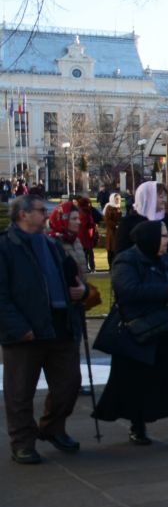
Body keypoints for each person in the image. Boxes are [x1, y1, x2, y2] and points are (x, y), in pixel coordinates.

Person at [93, 220, 168, 448]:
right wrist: (166, 292)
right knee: (136, 382)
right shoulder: (127, 259)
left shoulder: (167, 259)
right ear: (150, 238)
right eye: (164, 236)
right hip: (139, 331)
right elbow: (127, 291)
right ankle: (138, 427)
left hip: (167, 329)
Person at [1, 194, 85, 464]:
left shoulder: (51, 244)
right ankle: (23, 443)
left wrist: (80, 291)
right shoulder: (6, 246)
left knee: (69, 383)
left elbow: (70, 278)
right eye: (40, 210)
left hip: (60, 326)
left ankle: (51, 428)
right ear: (23, 214)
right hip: (26, 332)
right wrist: (18, 328)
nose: (46, 215)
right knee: (20, 392)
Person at [118, 181, 168, 279]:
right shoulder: (129, 222)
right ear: (148, 198)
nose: (164, 200)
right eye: (160, 196)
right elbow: (122, 253)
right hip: (141, 276)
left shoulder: (166, 219)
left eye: (164, 196)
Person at [48, 201, 90, 276]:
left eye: (78, 218)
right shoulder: (52, 242)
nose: (79, 222)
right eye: (74, 219)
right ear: (63, 220)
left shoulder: (75, 239)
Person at [75, 197, 99, 268]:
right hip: (85, 234)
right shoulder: (84, 212)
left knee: (87, 252)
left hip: (86, 234)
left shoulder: (83, 211)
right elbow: (86, 223)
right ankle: (88, 267)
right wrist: (93, 224)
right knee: (87, 252)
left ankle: (89, 266)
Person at [103, 192, 123, 263]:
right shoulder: (109, 207)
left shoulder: (118, 207)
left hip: (117, 232)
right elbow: (107, 220)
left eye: (119, 199)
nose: (118, 200)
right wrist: (115, 225)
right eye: (116, 199)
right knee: (111, 250)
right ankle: (111, 266)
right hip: (111, 232)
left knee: (116, 250)